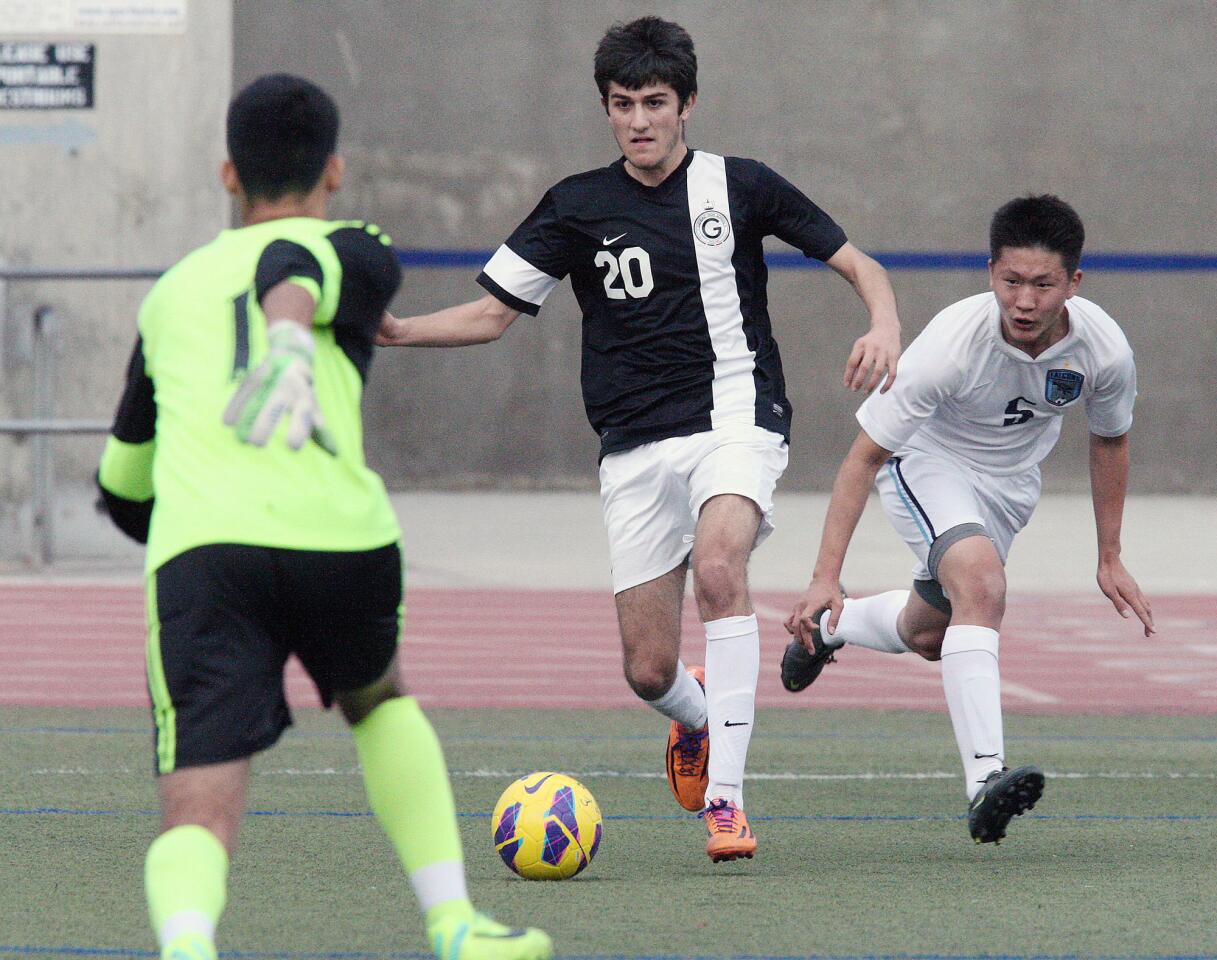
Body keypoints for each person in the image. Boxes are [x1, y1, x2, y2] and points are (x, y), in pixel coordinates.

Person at [375, 16, 901, 862]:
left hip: (736, 418)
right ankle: (693, 714)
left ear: (687, 103)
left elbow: (859, 265)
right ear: (606, 109)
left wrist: (883, 325)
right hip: (632, 450)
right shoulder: (575, 205)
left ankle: (725, 803)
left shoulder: (741, 185)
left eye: (654, 102)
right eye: (622, 105)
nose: (638, 120)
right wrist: (394, 332)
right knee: (647, 672)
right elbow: (489, 315)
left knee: (722, 566)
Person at [96, 74, 551, 960]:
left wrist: (193, 515)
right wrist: (293, 338)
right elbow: (300, 265)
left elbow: (122, 484)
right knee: (378, 701)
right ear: (335, 171)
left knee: (198, 798)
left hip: (205, 555)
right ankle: (454, 924)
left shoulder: (170, 293)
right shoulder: (358, 249)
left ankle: (188, 948)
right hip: (339, 539)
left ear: (228, 174)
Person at [782, 194, 1155, 844]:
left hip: (1008, 491)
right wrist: (821, 573)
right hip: (925, 465)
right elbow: (862, 457)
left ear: (1073, 283)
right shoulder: (953, 344)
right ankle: (986, 777)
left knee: (930, 635)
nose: (1024, 300)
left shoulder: (1103, 350)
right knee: (981, 586)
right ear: (990, 273)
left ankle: (830, 627)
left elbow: (1109, 439)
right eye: (1010, 281)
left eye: (1042, 284)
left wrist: (1109, 555)